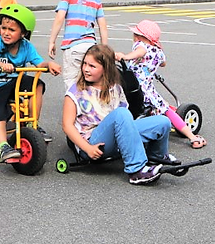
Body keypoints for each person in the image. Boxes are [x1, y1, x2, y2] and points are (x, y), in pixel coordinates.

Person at [63, 44, 175, 185]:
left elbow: (125, 123)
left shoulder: (115, 88)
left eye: (92, 66)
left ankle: (157, 157)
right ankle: (136, 170)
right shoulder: (75, 91)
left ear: (106, 69)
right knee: (121, 114)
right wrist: (87, 148)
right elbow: (67, 126)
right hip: (93, 143)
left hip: (116, 138)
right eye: (84, 64)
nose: (86, 69)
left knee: (162, 122)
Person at [0, 4, 61, 161]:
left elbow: (39, 63)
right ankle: (3, 147)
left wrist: (49, 64)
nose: (6, 33)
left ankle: (33, 124)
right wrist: (1, 65)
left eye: (12, 30)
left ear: (23, 33)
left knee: (38, 84)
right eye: (3, 28)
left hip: (13, 81)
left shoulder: (26, 46)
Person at [115, 20, 207, 149]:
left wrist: (125, 57)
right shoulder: (158, 52)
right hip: (147, 90)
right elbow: (163, 63)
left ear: (139, 36)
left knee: (162, 110)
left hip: (135, 89)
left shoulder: (140, 45)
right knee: (166, 109)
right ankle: (191, 136)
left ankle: (190, 136)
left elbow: (140, 52)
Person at [48, 0, 108, 89]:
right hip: (91, 46)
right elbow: (102, 26)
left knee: (72, 82)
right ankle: (88, 107)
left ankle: (73, 108)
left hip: (73, 46)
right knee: (88, 82)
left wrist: (52, 41)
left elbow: (59, 18)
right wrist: (104, 48)